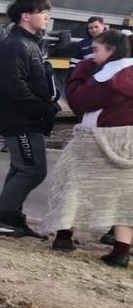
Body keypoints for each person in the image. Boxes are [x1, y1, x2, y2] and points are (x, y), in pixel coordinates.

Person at [47, 30, 133, 267]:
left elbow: (79, 102)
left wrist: (79, 73)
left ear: (112, 50)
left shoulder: (108, 77)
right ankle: (122, 251)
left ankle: (64, 237)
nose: (93, 55)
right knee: (126, 195)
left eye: (97, 50)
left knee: (73, 185)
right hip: (130, 141)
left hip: (95, 140)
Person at [0, 0, 59, 238]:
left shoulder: (28, 44)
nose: (47, 16)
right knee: (33, 170)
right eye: (42, 12)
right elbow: (12, 88)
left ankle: (12, 218)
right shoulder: (16, 46)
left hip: (25, 119)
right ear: (26, 16)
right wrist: (43, 108)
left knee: (20, 168)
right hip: (22, 120)